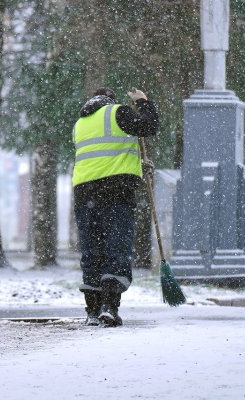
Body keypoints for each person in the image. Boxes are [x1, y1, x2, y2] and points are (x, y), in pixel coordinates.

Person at [72, 87, 159, 327]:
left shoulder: (80, 123)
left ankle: (92, 310)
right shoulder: (116, 113)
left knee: (92, 253)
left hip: (84, 195)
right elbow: (148, 126)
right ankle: (109, 308)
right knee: (116, 250)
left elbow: (103, 155)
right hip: (115, 191)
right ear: (110, 101)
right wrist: (143, 102)